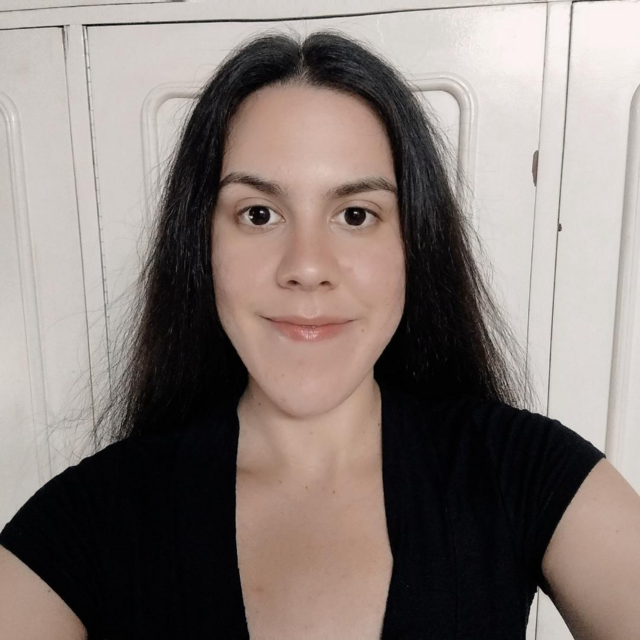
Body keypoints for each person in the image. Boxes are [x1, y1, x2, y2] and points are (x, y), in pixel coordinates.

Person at [1, 28, 639, 640]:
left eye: (356, 214)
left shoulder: (524, 471)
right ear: (201, 246)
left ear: (414, 245)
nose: (307, 266)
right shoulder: (90, 517)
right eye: (259, 214)